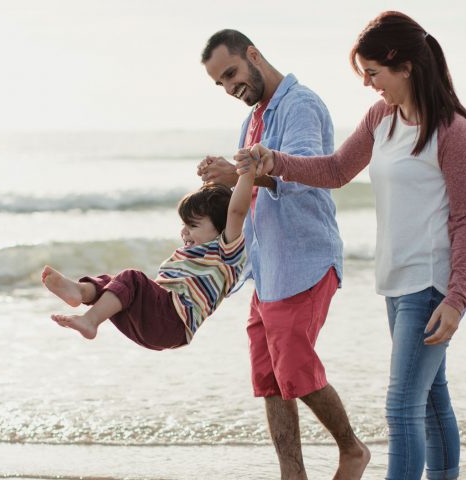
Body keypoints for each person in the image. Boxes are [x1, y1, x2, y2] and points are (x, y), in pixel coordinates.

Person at [236, 11, 466, 480]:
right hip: (394, 280)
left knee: (402, 406)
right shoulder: (381, 118)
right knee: (432, 397)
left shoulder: (454, 133)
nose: (369, 85)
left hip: (431, 285)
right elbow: (334, 171)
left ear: (405, 66)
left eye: (373, 73)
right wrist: (274, 161)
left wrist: (457, 298)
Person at [198, 30, 369, 479]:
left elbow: (305, 173)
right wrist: (224, 181)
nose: (231, 87)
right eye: (221, 83)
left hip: (306, 262)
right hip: (267, 268)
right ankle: (292, 474)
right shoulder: (253, 118)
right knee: (270, 380)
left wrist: (248, 175)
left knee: (293, 367)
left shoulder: (300, 105)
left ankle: (352, 450)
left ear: (253, 54)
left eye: (231, 73)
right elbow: (250, 188)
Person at [41, 162, 254, 349]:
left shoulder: (225, 250)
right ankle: (80, 292)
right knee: (113, 284)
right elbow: (216, 205)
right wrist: (214, 180)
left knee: (131, 279)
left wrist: (247, 172)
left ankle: (90, 321)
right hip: (157, 324)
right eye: (184, 225)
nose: (184, 232)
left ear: (222, 227)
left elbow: (235, 211)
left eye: (192, 226)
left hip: (172, 322)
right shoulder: (199, 250)